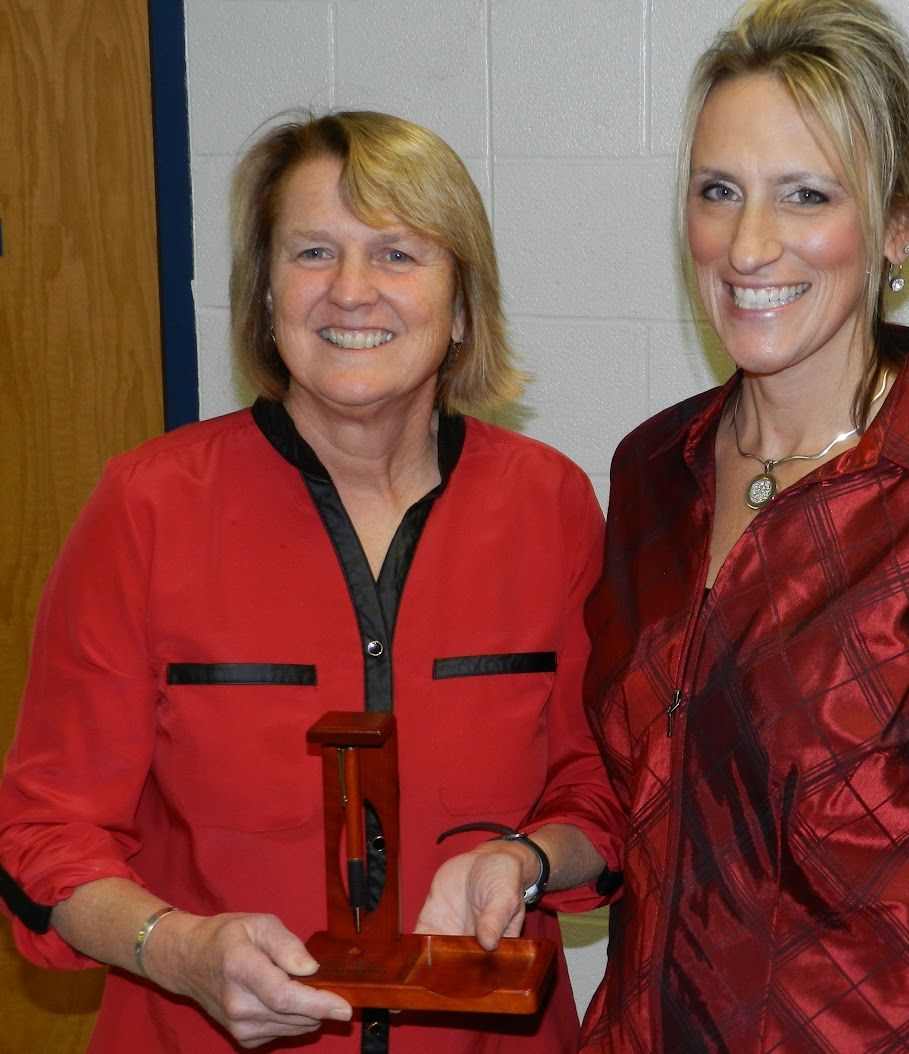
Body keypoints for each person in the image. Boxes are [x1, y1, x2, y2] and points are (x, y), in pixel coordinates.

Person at [0, 110, 622, 1054]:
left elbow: (601, 793)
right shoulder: (147, 508)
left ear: (462, 306)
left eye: (400, 254)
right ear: (265, 297)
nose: (352, 292)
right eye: (314, 252)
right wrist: (181, 952)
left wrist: (524, 859)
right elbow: (45, 836)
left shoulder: (554, 507)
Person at [579, 1, 909, 1050]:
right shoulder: (651, 471)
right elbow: (634, 800)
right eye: (717, 192)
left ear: (898, 223)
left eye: (806, 195)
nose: (747, 243)